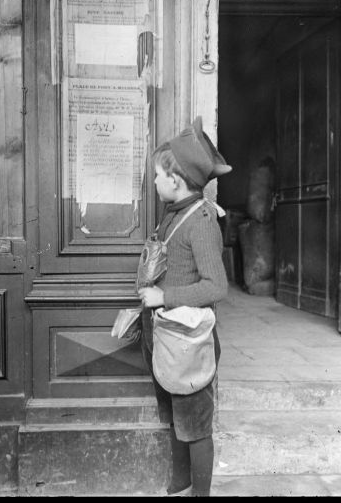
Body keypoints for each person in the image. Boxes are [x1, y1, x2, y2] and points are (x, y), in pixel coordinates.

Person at [137, 116, 232, 497]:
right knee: (177, 416)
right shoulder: (173, 212)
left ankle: (201, 494)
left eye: (159, 176)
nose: (155, 182)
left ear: (175, 182)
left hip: (189, 343)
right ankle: (181, 485)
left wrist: (164, 297)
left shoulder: (202, 221)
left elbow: (217, 287)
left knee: (194, 424)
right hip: (167, 336)